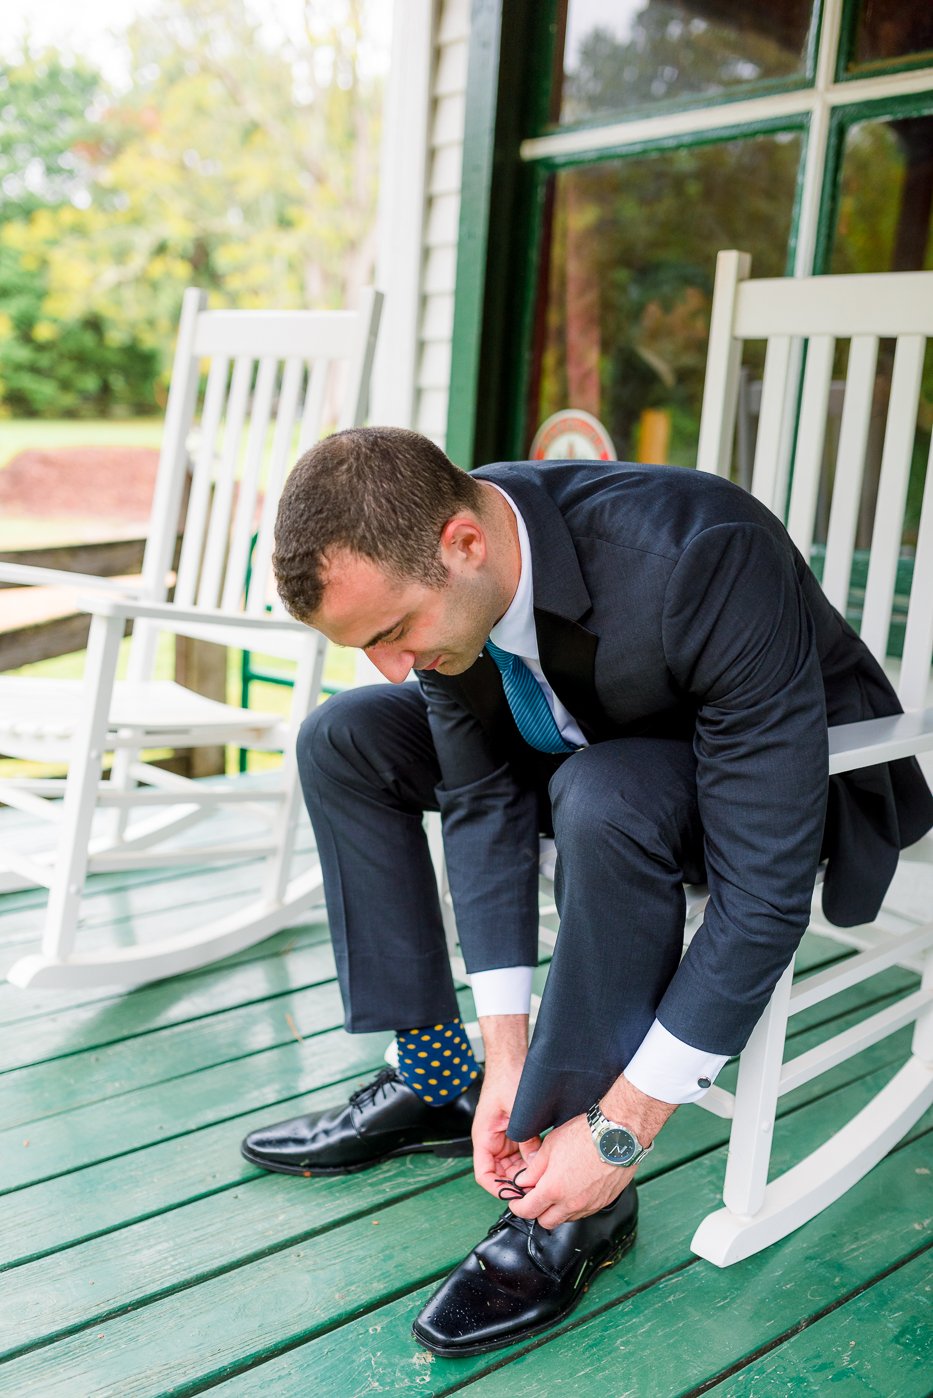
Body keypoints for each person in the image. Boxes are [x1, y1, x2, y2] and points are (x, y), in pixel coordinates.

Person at [241, 426, 932, 1357]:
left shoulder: (701, 557)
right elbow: (481, 795)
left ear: (463, 543)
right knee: (348, 735)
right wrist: (503, 1047)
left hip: (770, 778)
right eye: (365, 641)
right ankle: (442, 1078)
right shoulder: (445, 567)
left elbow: (761, 892)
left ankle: (573, 1186)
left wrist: (623, 1124)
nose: (393, 662)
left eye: (393, 631)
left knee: (603, 796)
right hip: (585, 730)